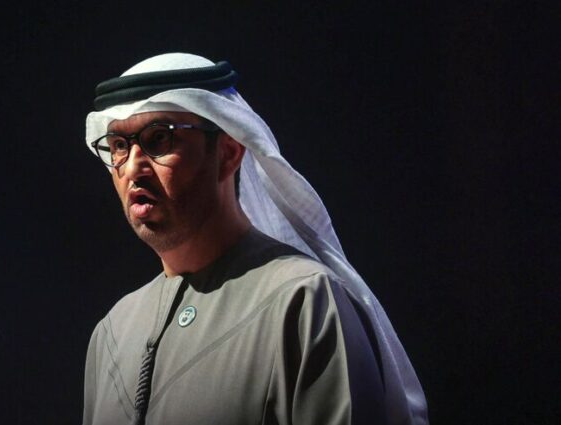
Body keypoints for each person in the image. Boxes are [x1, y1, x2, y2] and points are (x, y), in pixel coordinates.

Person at [81, 53, 428, 425]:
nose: (133, 166)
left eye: (159, 139)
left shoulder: (304, 300)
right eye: (119, 145)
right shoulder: (112, 333)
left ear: (228, 153)